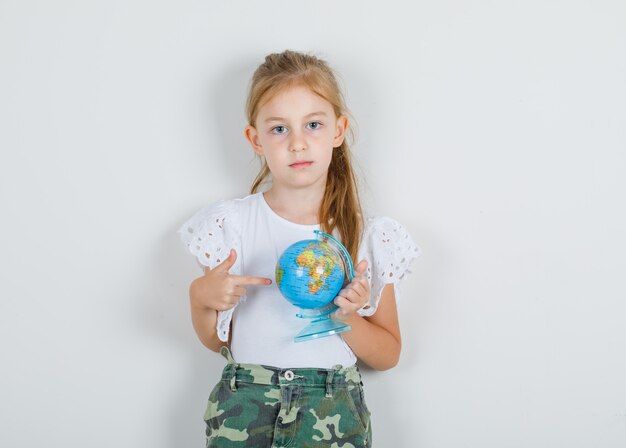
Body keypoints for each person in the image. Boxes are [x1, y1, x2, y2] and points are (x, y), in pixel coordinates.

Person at [178, 50, 419, 448]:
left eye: (313, 124)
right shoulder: (232, 225)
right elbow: (219, 340)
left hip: (332, 408)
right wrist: (200, 299)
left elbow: (388, 354)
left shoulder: (366, 236)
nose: (297, 143)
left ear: (338, 131)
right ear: (255, 139)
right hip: (245, 403)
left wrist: (347, 318)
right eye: (278, 129)